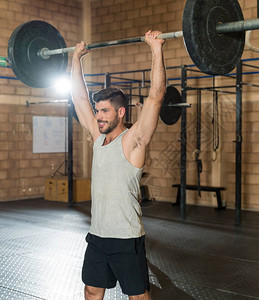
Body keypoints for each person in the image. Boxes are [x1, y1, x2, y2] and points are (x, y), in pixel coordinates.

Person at [70, 30, 166, 300]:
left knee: (137, 296)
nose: (98, 116)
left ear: (121, 112)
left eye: (104, 111)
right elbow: (78, 98)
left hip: (126, 238)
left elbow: (156, 97)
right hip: (97, 235)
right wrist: (76, 58)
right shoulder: (98, 137)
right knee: (91, 291)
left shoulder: (134, 139)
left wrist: (156, 49)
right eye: (97, 110)